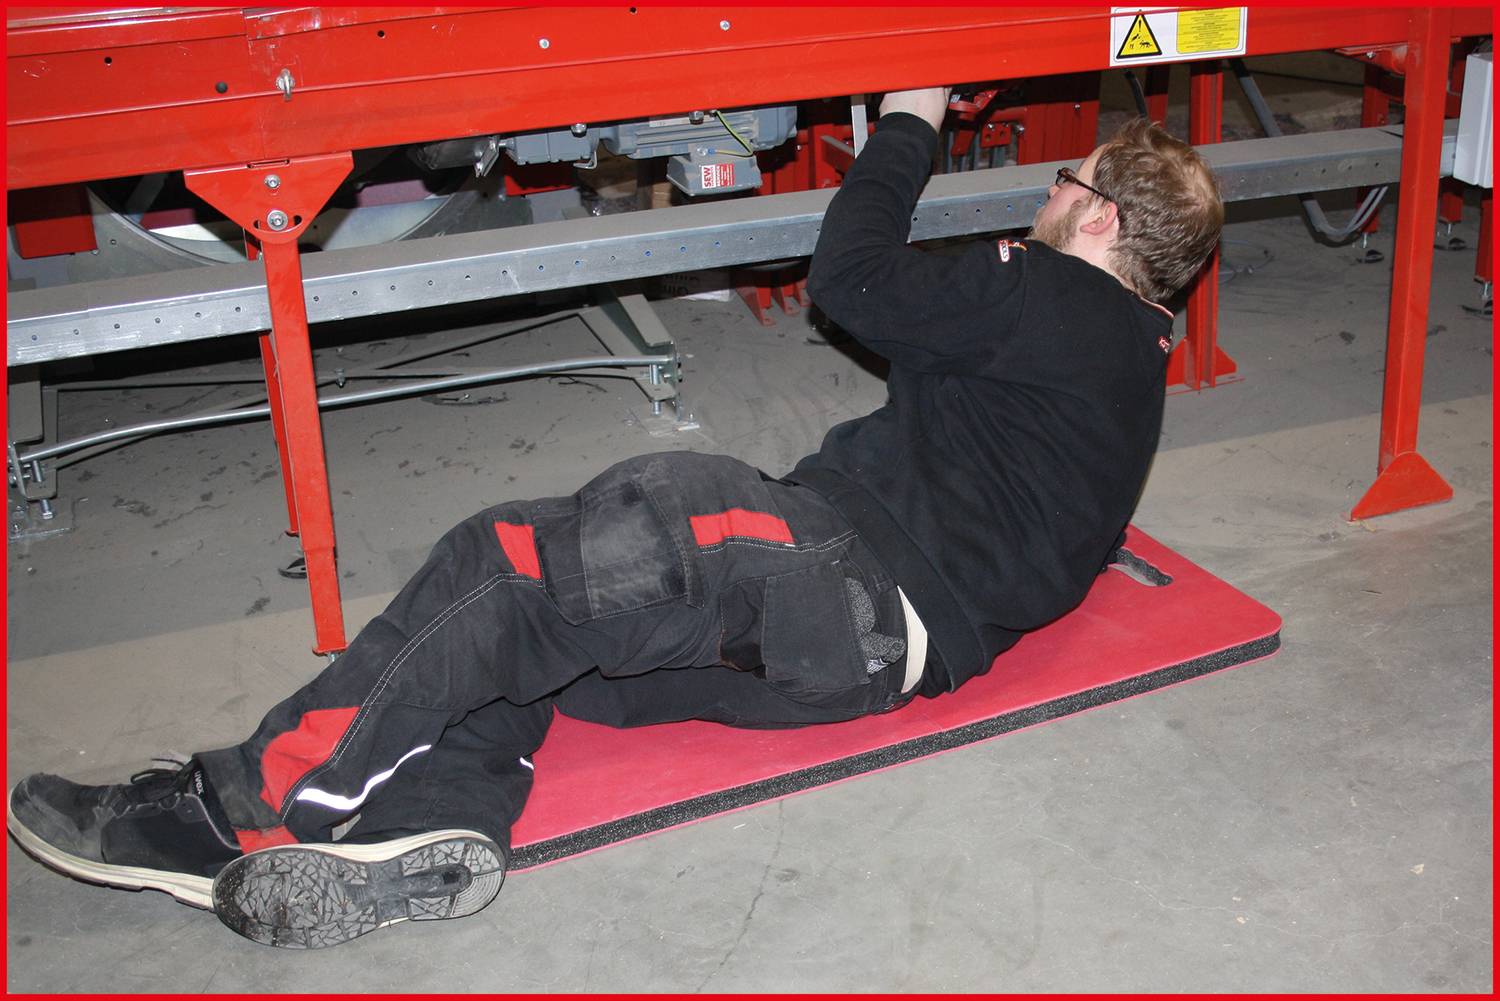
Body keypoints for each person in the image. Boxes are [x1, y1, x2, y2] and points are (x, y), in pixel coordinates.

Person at [6, 87, 1223, 949]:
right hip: (856, 655)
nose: (1047, 201)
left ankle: (228, 808)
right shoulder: (1127, 358)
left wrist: (908, 117)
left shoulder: (1055, 296)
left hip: (840, 581)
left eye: (1066, 187)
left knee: (518, 566)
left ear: (1103, 220)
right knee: (549, 643)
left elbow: (851, 279)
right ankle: (430, 820)